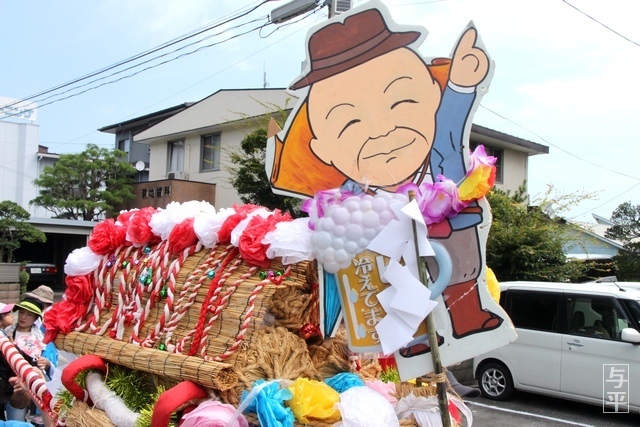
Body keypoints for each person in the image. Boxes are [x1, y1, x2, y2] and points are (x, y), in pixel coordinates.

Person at [267, 5, 503, 347]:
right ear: (322, 148)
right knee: (395, 282)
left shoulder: (443, 155)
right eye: (349, 123)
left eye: (401, 101)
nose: (380, 131)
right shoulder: (347, 201)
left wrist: (463, 85)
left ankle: (466, 315)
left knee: (462, 271)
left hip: (453, 231)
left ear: (432, 96)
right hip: (391, 260)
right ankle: (415, 337)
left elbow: (452, 117)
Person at [4, 301, 53, 423]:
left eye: (29, 315)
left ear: (36, 318)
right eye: (21, 313)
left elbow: (52, 368)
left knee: (16, 421)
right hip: (4, 382)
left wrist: (46, 364)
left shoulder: (42, 340)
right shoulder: (6, 333)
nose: (23, 317)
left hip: (22, 389)